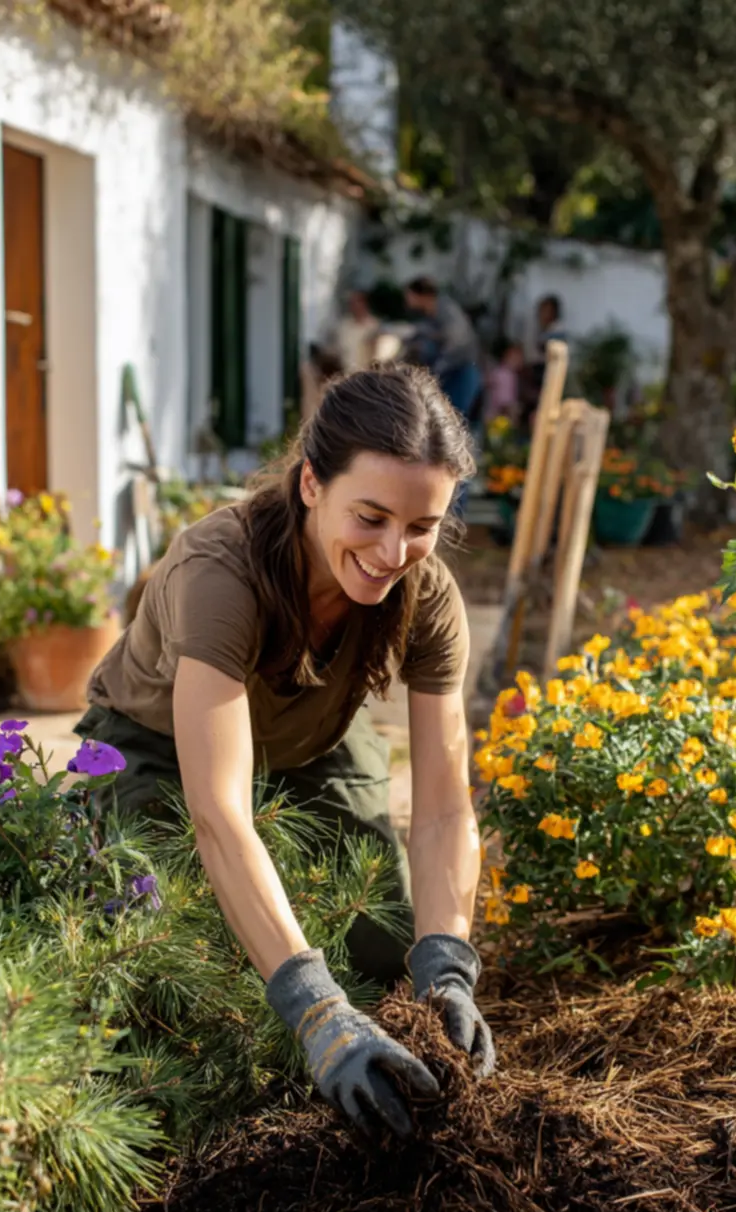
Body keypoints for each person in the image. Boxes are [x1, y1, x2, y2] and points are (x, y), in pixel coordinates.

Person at [75, 366, 496, 1139]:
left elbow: (441, 806)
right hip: (158, 748)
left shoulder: (426, 596)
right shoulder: (220, 573)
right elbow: (221, 816)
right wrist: (317, 1012)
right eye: (369, 516)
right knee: (170, 969)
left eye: (421, 525)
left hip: (312, 741)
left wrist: (448, 966)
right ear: (310, 483)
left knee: (383, 948)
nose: (393, 549)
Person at [403, 277, 482, 425]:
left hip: (461, 371)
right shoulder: (430, 316)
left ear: (423, 295)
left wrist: (435, 371)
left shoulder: (447, 311)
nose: (407, 299)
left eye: (410, 295)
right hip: (448, 372)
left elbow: (456, 344)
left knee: (453, 422)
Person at [483, 339, 525, 425]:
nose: (520, 360)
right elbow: (504, 402)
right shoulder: (505, 375)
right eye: (516, 357)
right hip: (498, 419)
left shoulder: (502, 373)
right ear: (506, 356)